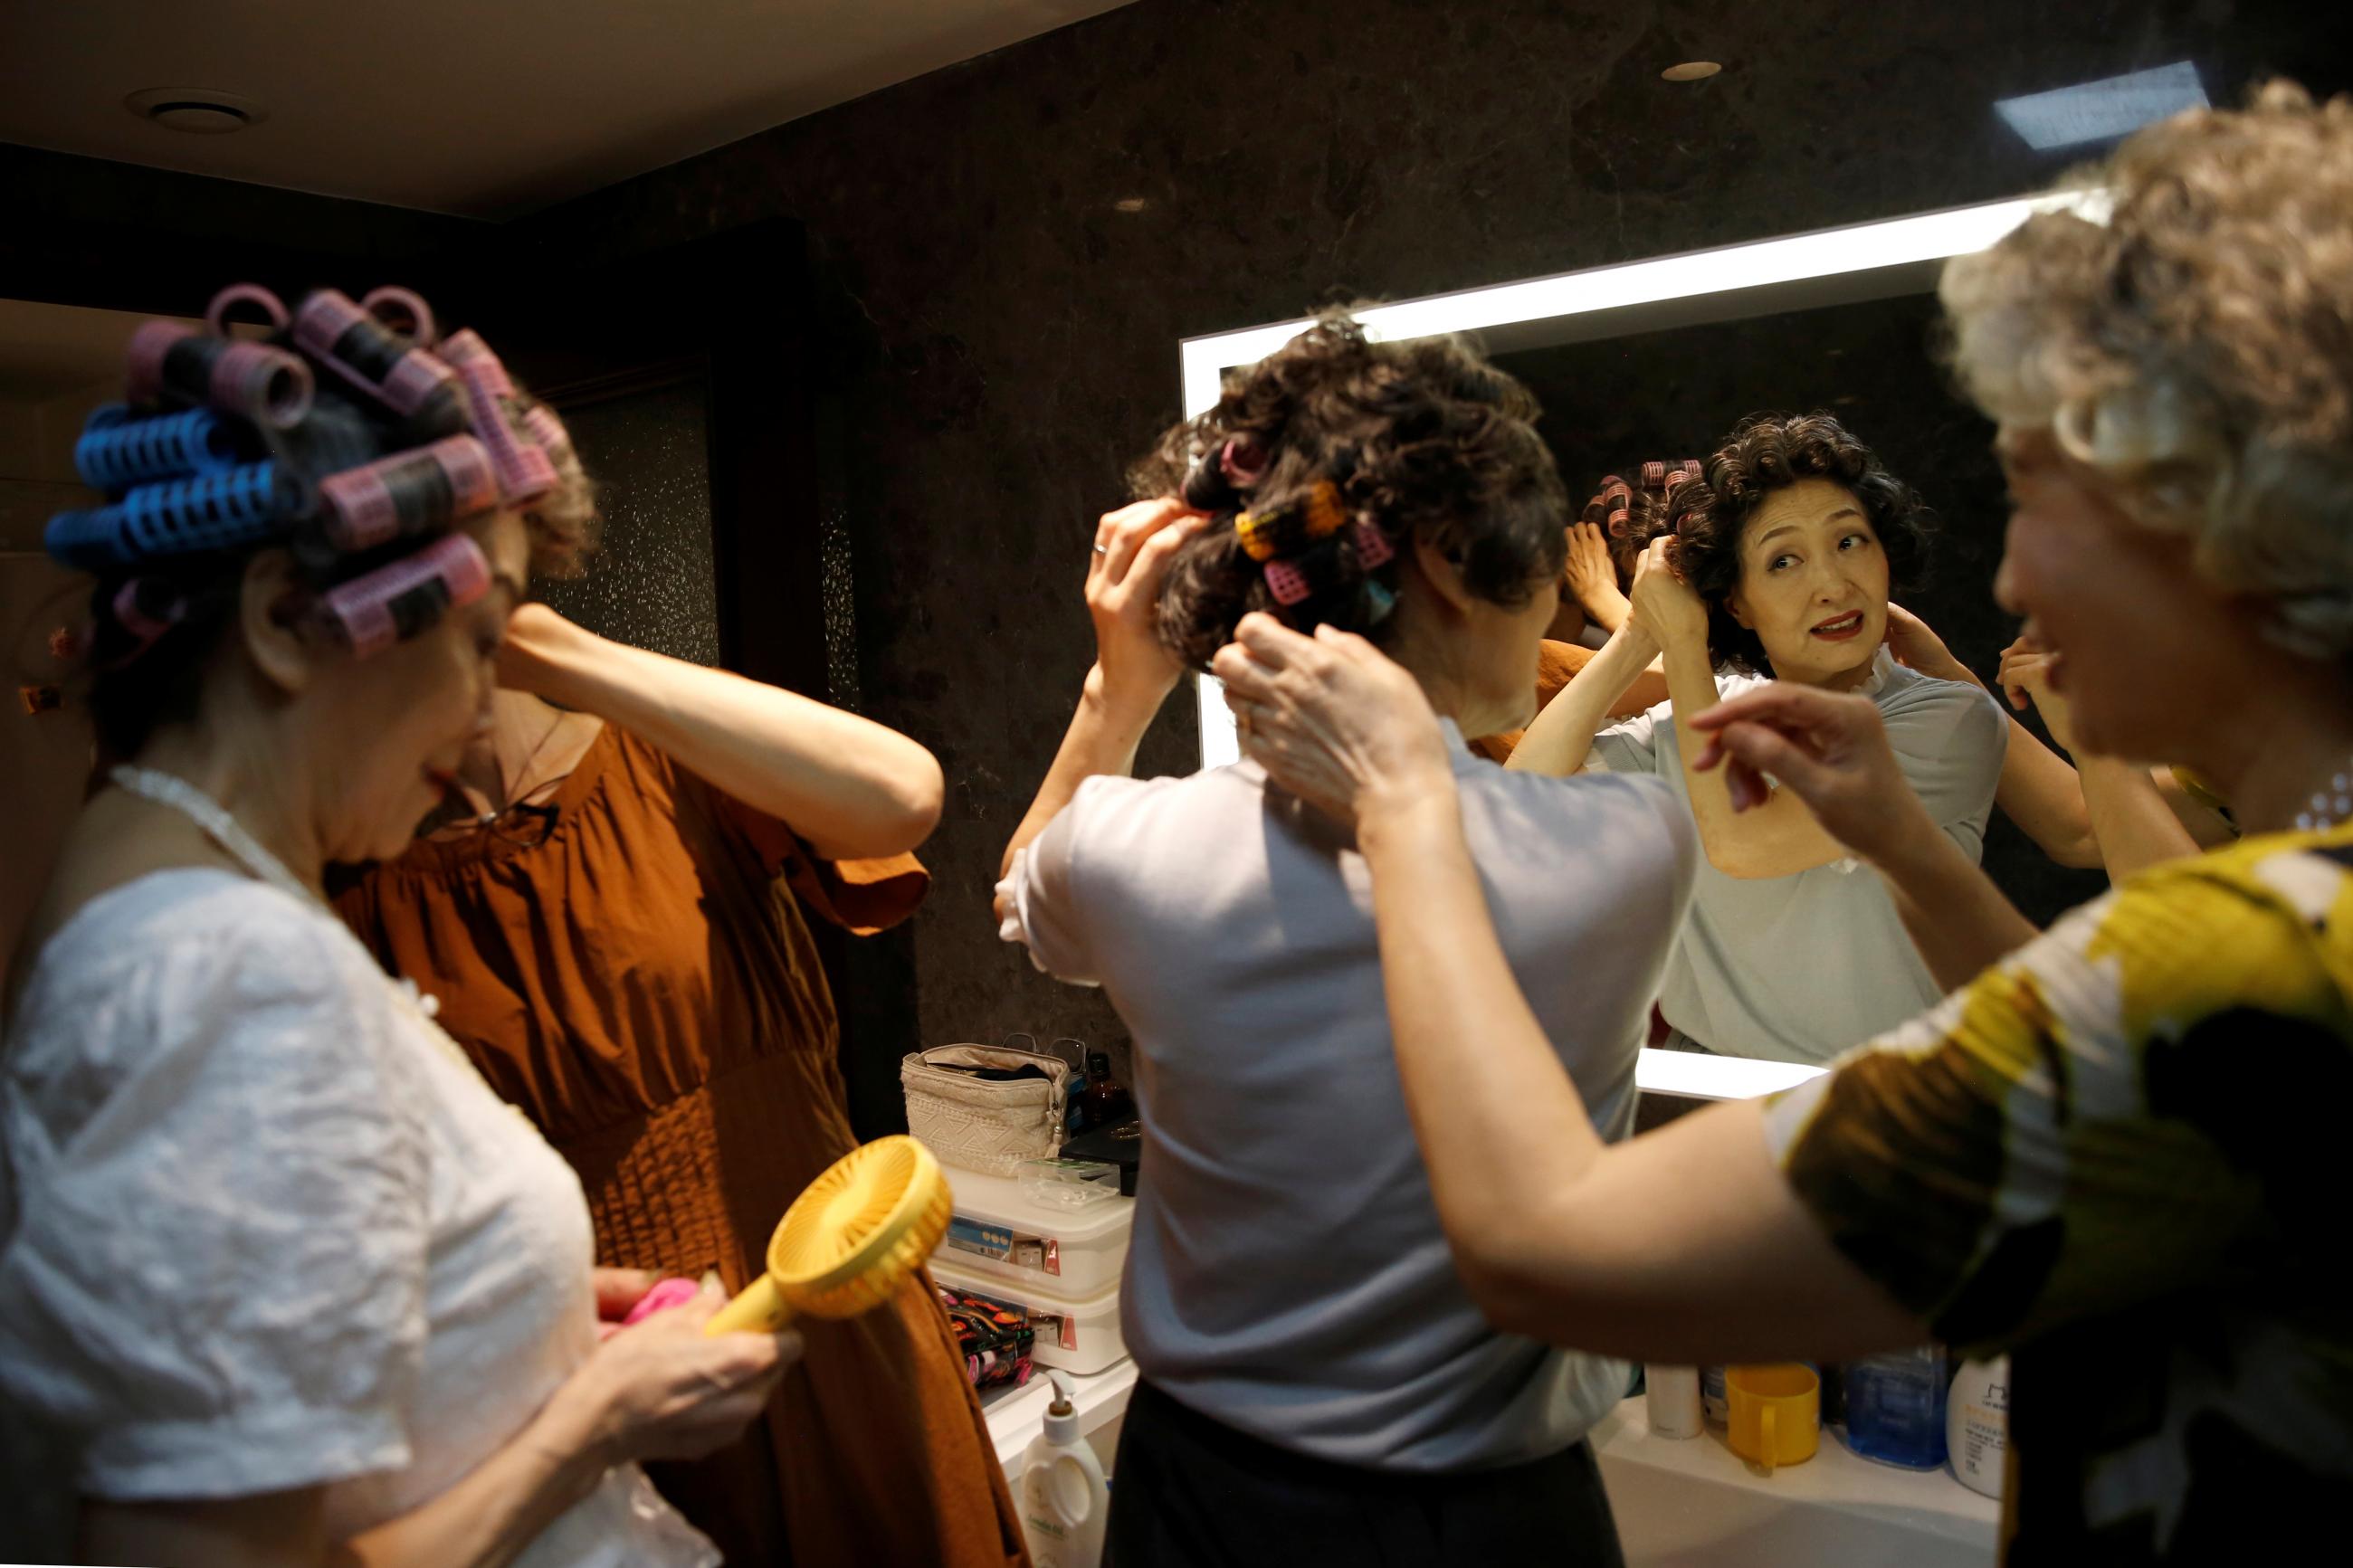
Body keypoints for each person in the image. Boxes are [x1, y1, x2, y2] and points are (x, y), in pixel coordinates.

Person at [1213, 81, 2353, 1563]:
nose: (2010, 577)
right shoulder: (2294, 910)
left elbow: (1546, 1247)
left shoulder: (2248, 976)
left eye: (2041, 493)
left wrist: (1415, 804)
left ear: (2205, 511)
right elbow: (2068, 982)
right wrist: (1897, 837)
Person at [0, 286, 789, 1565]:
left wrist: (499, 1306)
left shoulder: (144, 881)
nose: (486, 715)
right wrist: (589, 1423)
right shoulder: (230, 975)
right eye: (476, 644)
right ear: (277, 621)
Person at [996, 317, 1695, 1566]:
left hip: (1200, 1504)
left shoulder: (1130, 855)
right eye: (1535, 560)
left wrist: (1121, 685)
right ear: (1441, 558)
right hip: (1504, 1523)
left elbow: (1022, 897)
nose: (1543, 597)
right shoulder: (1629, 850)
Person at [332, 607, 1025, 1565]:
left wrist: (543, 644)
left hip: (828, 1315)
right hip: (604, 1378)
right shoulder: (347, 876)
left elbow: (899, 795)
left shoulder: (663, 755)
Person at [1506, 416, 2011, 1062]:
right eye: (1783, 560)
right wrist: (1639, 636)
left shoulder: (1946, 721)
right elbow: (1514, 804)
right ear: (1737, 604)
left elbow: (1744, 843)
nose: (1832, 586)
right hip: (1719, 1112)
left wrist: (1686, 647)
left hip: (1896, 1119)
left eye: (1851, 541)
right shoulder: (1691, 722)